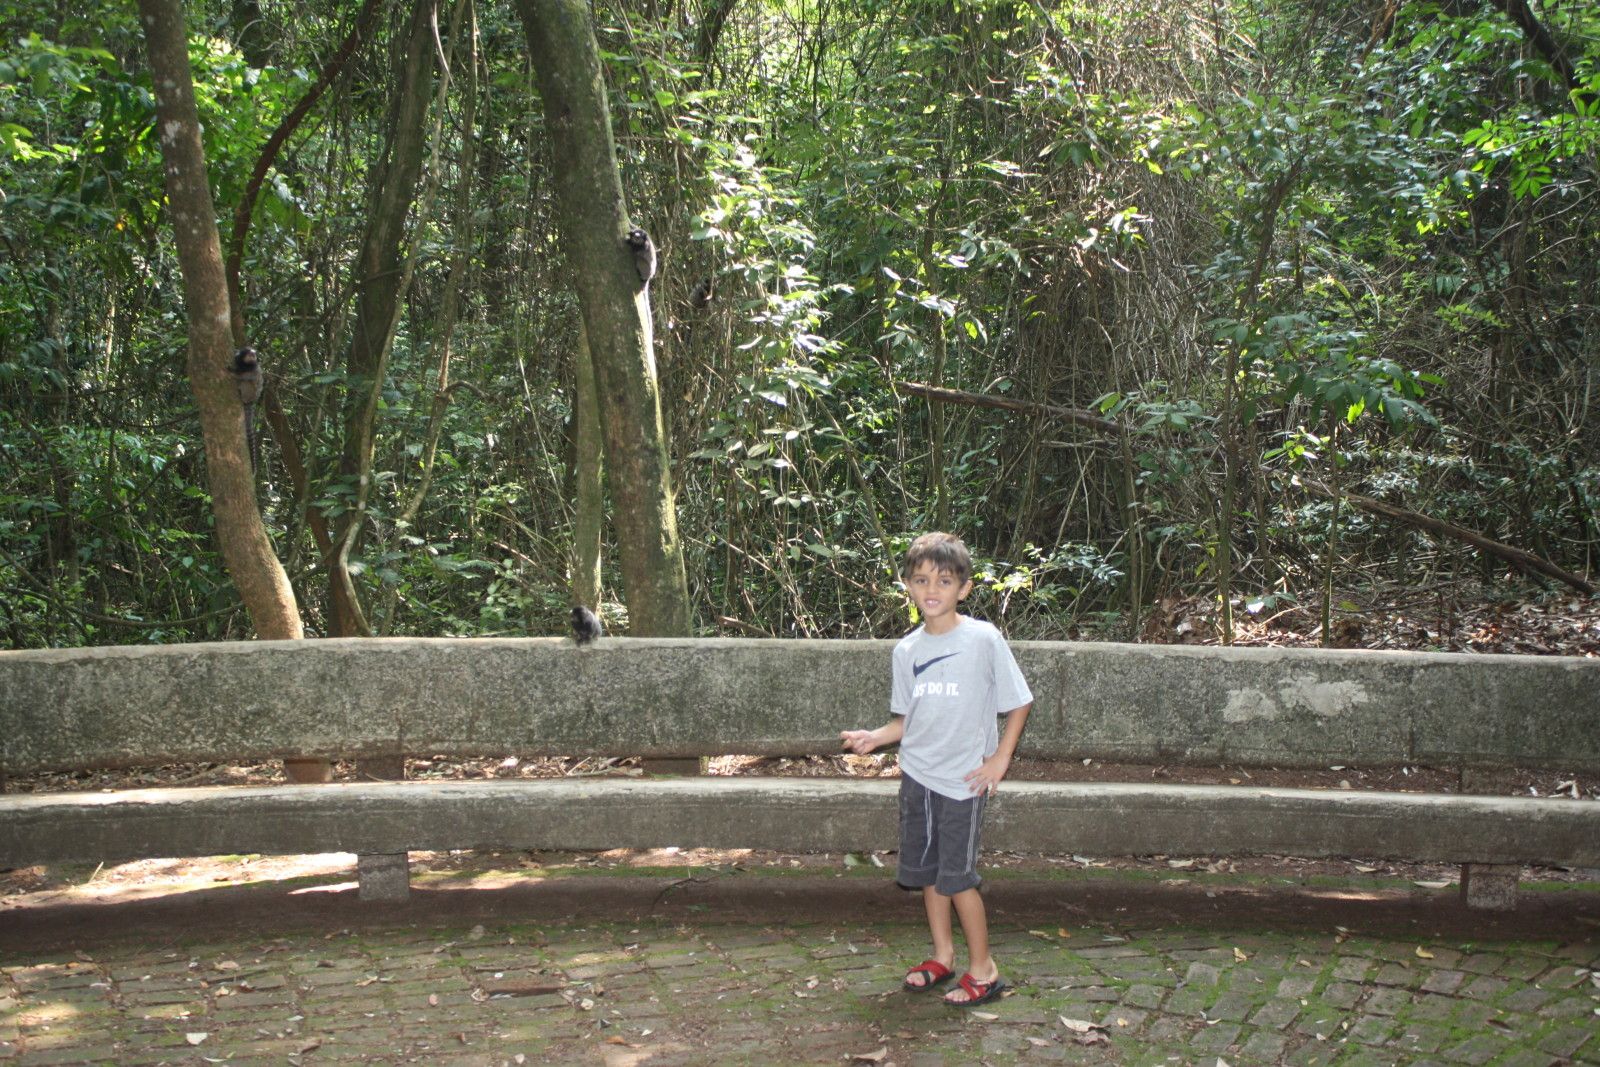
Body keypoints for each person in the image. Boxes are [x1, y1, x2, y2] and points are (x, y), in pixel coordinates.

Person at [840, 532, 1033, 1008]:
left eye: (944, 581)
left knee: (957, 878)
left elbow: (1019, 702)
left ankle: (984, 970)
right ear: (907, 585)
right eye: (922, 579)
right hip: (918, 777)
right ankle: (943, 955)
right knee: (929, 872)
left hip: (964, 782)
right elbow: (906, 720)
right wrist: (875, 737)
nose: (932, 589)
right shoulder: (906, 651)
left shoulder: (983, 639)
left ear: (963, 588)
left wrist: (1000, 759)